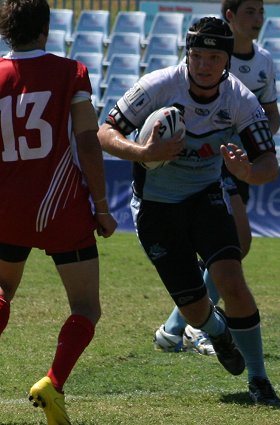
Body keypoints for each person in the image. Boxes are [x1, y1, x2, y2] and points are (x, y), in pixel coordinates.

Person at [98, 16, 280, 405]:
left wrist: (248, 171)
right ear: (187, 55)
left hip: (206, 197)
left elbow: (269, 163)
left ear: (227, 60)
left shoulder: (240, 100)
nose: (202, 64)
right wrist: (143, 152)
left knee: (232, 280)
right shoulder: (159, 85)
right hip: (156, 208)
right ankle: (215, 331)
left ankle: (259, 378)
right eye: (196, 55)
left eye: (213, 57)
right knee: (194, 309)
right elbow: (106, 131)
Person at [0, 1, 117, 424]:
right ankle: (52, 382)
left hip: (7, 207)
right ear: (46, 30)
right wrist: (101, 208)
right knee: (86, 307)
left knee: (1, 293)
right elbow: (88, 142)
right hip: (60, 208)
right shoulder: (72, 72)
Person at [155, 0, 280, 359]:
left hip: (237, 160)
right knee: (236, 242)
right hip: (204, 161)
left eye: (260, 12)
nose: (258, 19)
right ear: (230, 16)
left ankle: (177, 327)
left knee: (235, 246)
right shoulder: (205, 60)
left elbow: (271, 116)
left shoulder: (265, 62)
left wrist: (254, 135)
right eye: (249, 12)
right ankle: (190, 326)